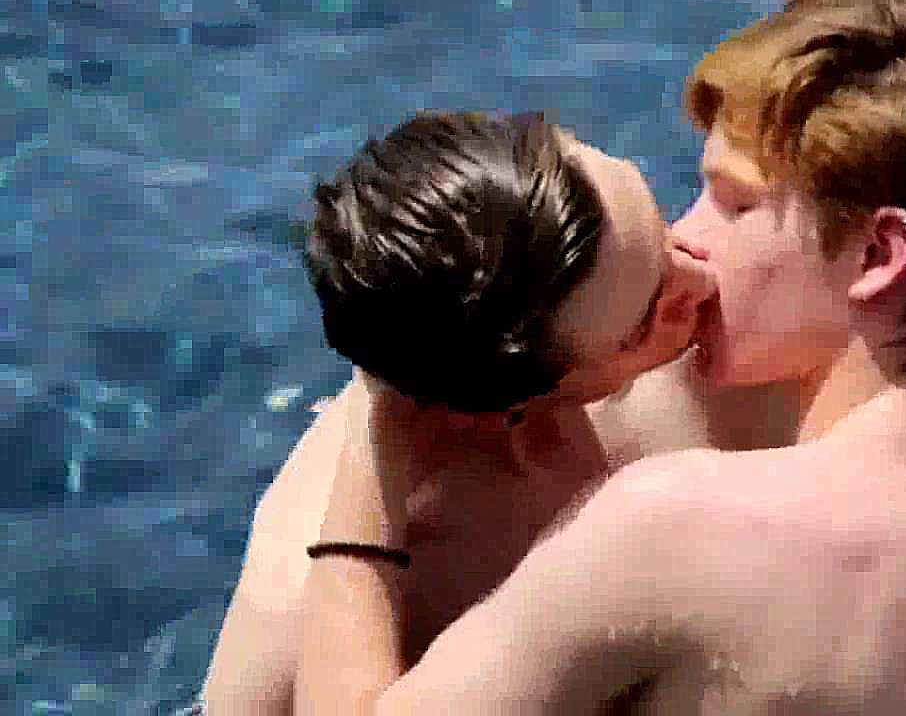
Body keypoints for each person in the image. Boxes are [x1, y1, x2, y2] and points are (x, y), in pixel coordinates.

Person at [355, 3, 906, 714]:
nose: (685, 238)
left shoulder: (671, 526)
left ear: (879, 255)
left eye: (733, 204)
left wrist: (370, 478)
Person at [199, 109, 717, 713]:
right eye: (646, 320)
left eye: (659, 222)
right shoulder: (310, 603)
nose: (703, 277)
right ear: (497, 411)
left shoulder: (566, 339)